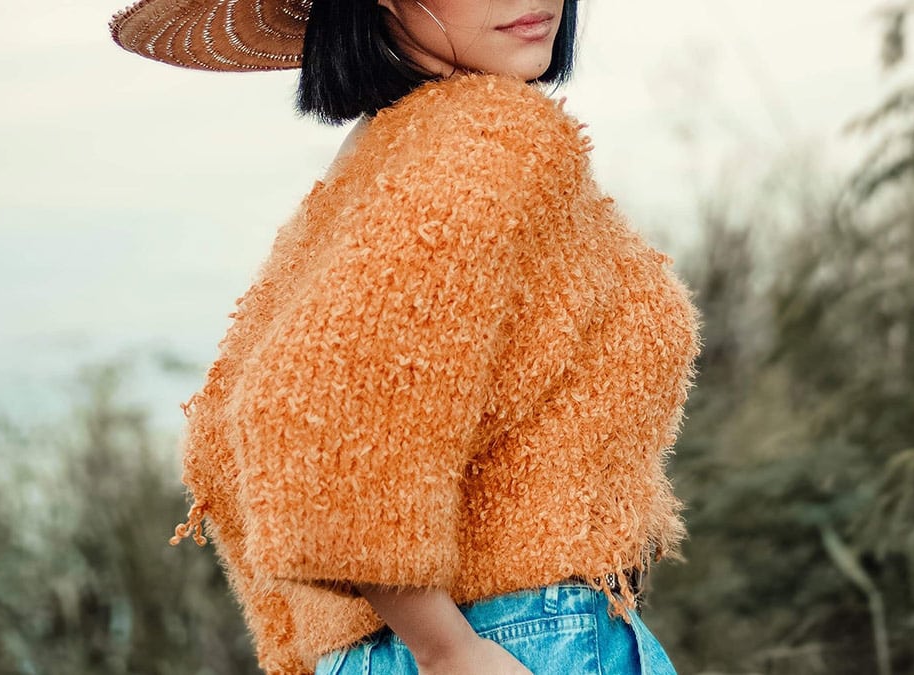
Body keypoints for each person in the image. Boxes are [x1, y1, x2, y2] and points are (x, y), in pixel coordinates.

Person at [108, 1, 700, 674]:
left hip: (403, 647)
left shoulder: (381, 154)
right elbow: (307, 418)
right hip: (527, 639)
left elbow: (227, 441)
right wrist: (447, 650)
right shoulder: (492, 133)